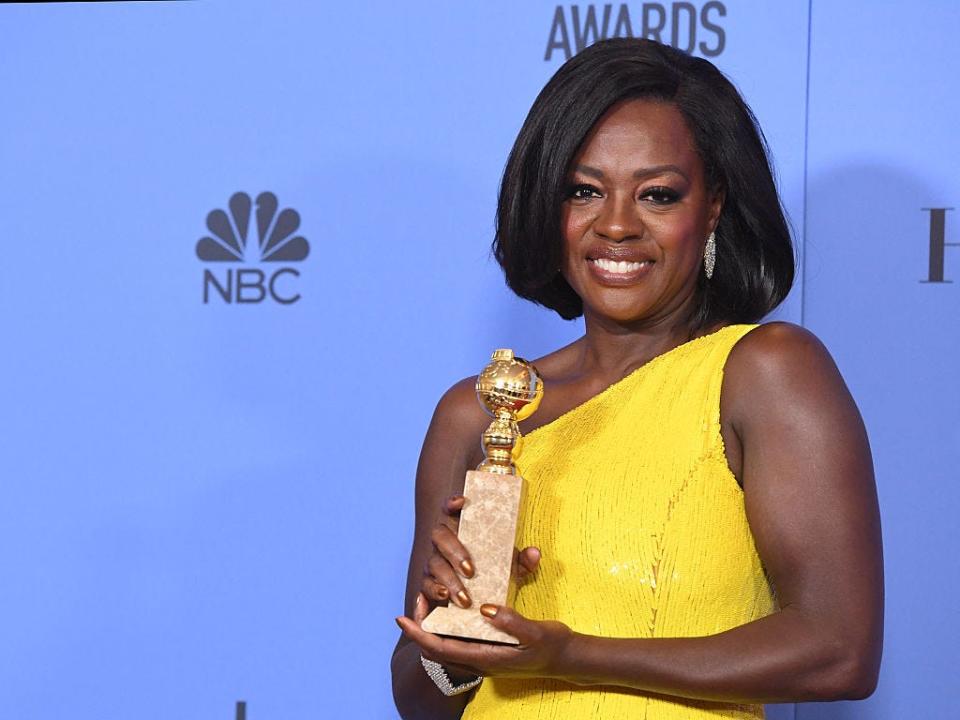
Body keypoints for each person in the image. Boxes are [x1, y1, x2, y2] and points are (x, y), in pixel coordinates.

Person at [391, 38, 883, 720]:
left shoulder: (764, 371)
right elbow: (421, 704)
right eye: (583, 191)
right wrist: (452, 636)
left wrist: (570, 655)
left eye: (657, 194)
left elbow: (840, 650)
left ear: (713, 207)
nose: (616, 225)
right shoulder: (477, 411)